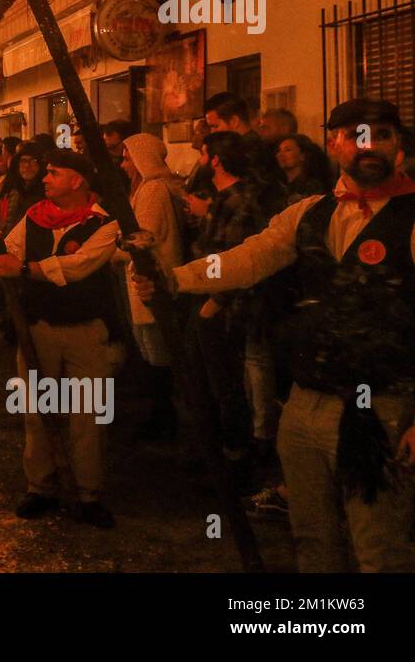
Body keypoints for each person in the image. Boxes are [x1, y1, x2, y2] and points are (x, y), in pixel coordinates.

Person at [133, 98, 415, 572]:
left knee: (381, 551)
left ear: (399, 147)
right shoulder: (309, 213)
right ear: (335, 145)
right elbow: (248, 258)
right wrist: (175, 279)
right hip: (305, 403)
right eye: (356, 136)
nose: (370, 146)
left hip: (385, 409)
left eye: (382, 135)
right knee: (311, 538)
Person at [0, 150, 121, 529]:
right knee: (36, 411)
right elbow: (8, 254)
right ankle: (40, 487)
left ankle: (88, 492)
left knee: (87, 414)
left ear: (76, 181)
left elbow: (79, 268)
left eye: (54, 173)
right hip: (38, 327)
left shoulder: (103, 224)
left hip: (85, 330)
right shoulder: (35, 216)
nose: (45, 179)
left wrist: (24, 268)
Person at [189, 131, 270, 490]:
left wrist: (215, 302)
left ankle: (236, 461)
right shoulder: (223, 199)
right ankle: (218, 454)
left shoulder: (241, 200)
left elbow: (237, 259)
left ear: (215, 160)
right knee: (210, 382)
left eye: (204, 154)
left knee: (228, 385)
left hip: (229, 309)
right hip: (212, 301)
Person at [119, 133, 185, 441]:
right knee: (152, 352)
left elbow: (144, 236)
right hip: (144, 282)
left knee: (158, 355)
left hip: (153, 282)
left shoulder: (154, 190)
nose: (123, 163)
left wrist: (114, 244)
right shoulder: (147, 188)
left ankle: (164, 420)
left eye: (127, 157)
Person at [276, 133, 332, 202]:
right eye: (279, 151)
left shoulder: (313, 187)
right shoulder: (277, 186)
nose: (280, 155)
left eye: (287, 150)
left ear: (303, 155)